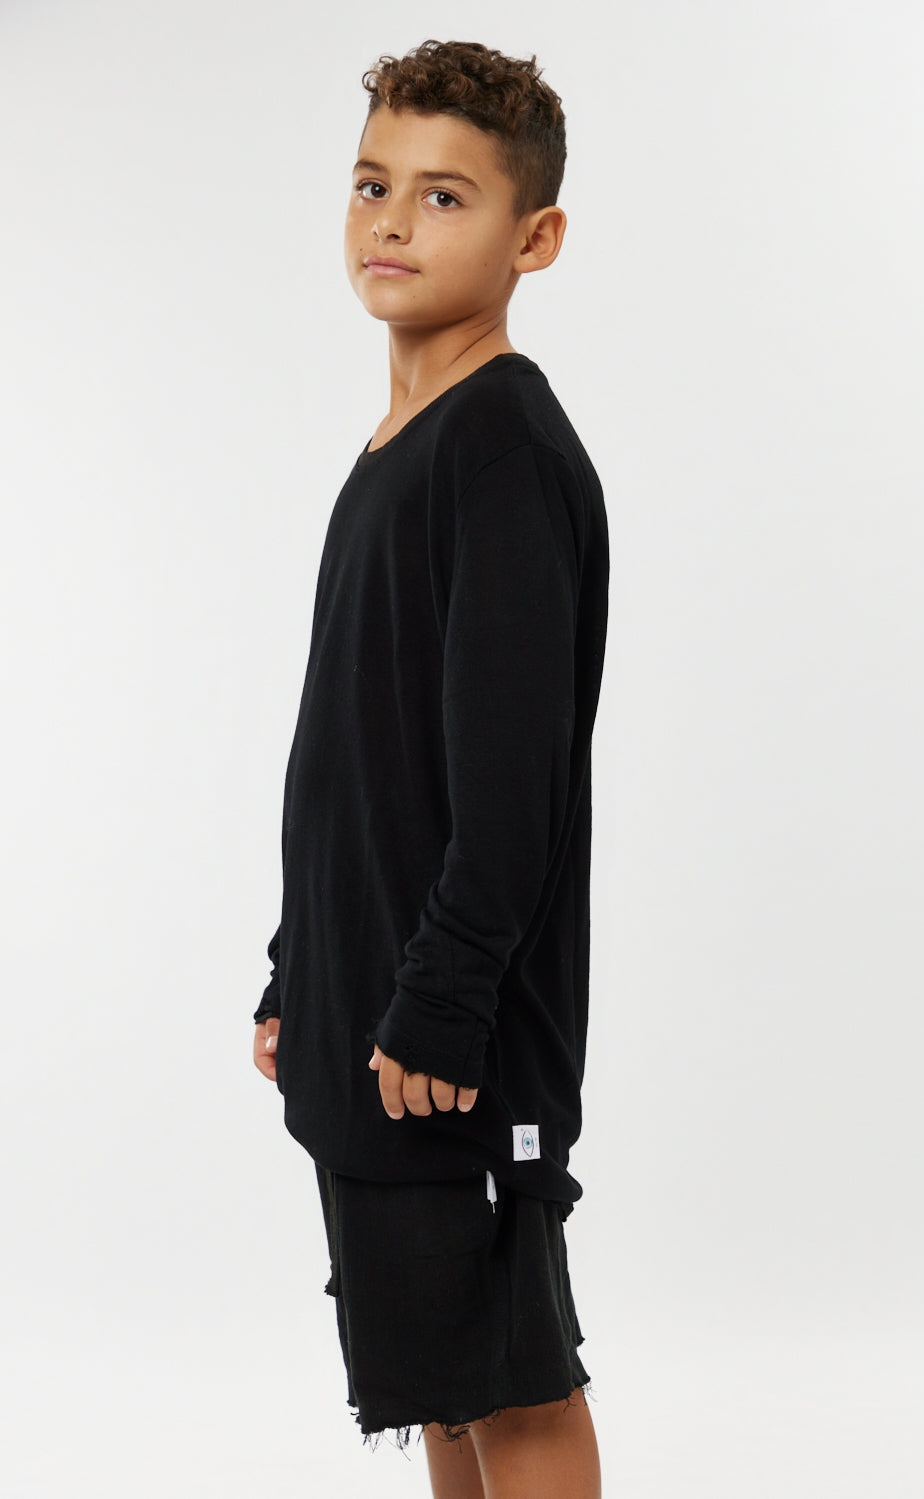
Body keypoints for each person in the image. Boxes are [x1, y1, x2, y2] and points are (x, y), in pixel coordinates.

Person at [252, 39, 609, 1499]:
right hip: (377, 1008)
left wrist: (444, 1001)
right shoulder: (397, 447)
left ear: (535, 238)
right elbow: (353, 752)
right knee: (443, 1390)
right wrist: (301, 969)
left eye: (445, 196)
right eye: (372, 184)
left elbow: (511, 785)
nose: (393, 221)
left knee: (510, 1387)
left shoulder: (502, 450)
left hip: (449, 1031)